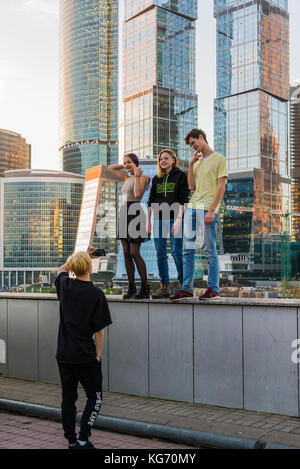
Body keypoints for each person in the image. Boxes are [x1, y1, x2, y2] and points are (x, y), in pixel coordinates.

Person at [55, 250, 112, 449]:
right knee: (94, 397)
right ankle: (83, 439)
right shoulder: (96, 294)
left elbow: (61, 270)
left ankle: (71, 440)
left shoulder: (65, 285)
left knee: (68, 399)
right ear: (90, 268)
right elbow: (100, 333)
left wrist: (77, 256)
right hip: (85, 356)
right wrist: (97, 355)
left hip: (64, 354)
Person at [170, 129, 228, 301]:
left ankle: (214, 289)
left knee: (210, 249)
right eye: (191, 145)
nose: (193, 147)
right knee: (186, 249)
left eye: (194, 143)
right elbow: (192, 186)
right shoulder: (196, 162)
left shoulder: (219, 159)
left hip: (207, 208)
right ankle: (187, 289)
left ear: (201, 137)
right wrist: (190, 164)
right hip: (192, 207)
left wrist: (212, 210)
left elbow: (221, 186)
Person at [147, 149, 189, 298]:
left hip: (174, 218)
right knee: (160, 254)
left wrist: (178, 220)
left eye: (166, 158)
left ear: (173, 160)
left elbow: (184, 199)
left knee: (177, 252)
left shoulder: (180, 176)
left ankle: (184, 285)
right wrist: (148, 222)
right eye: (161, 159)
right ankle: (164, 286)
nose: (163, 161)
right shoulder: (156, 179)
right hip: (158, 219)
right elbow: (151, 200)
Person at [108, 154, 150, 299]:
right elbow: (110, 168)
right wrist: (125, 165)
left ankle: (145, 288)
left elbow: (138, 195)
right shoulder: (126, 178)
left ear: (136, 163)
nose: (126, 165)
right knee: (125, 253)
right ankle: (131, 287)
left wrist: (137, 174)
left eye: (129, 162)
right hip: (124, 213)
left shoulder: (143, 177)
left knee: (134, 252)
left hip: (135, 213)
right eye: (125, 163)